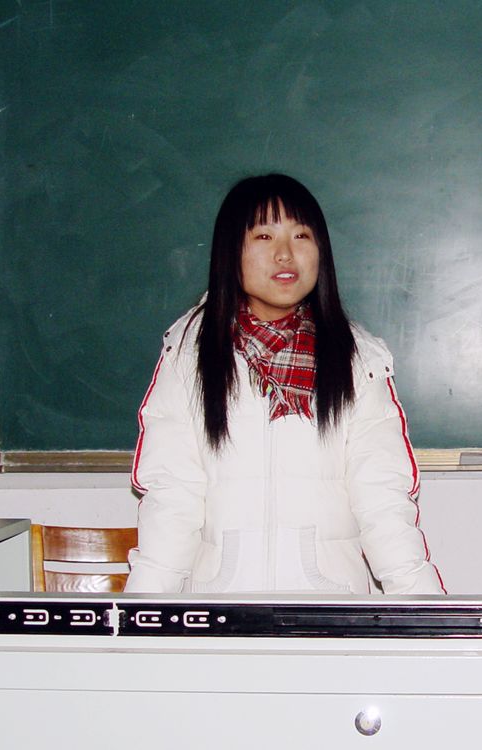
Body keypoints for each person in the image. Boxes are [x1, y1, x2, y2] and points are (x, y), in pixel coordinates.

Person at [124, 174, 445, 595]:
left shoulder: (359, 360)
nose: (285, 254)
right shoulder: (188, 355)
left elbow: (382, 500)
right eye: (263, 236)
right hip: (223, 611)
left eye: (301, 235)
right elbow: (172, 498)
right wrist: (141, 614)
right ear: (230, 252)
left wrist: (425, 609)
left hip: (330, 613)